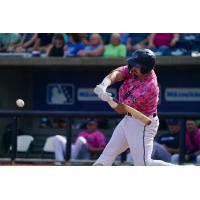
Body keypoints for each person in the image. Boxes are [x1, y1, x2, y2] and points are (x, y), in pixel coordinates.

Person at [93, 49, 173, 166]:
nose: (132, 68)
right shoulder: (135, 70)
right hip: (129, 119)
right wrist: (104, 84)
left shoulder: (149, 87)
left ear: (146, 68)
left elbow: (122, 109)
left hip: (142, 123)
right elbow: (118, 72)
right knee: (108, 154)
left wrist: (109, 100)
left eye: (137, 66)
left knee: (144, 164)